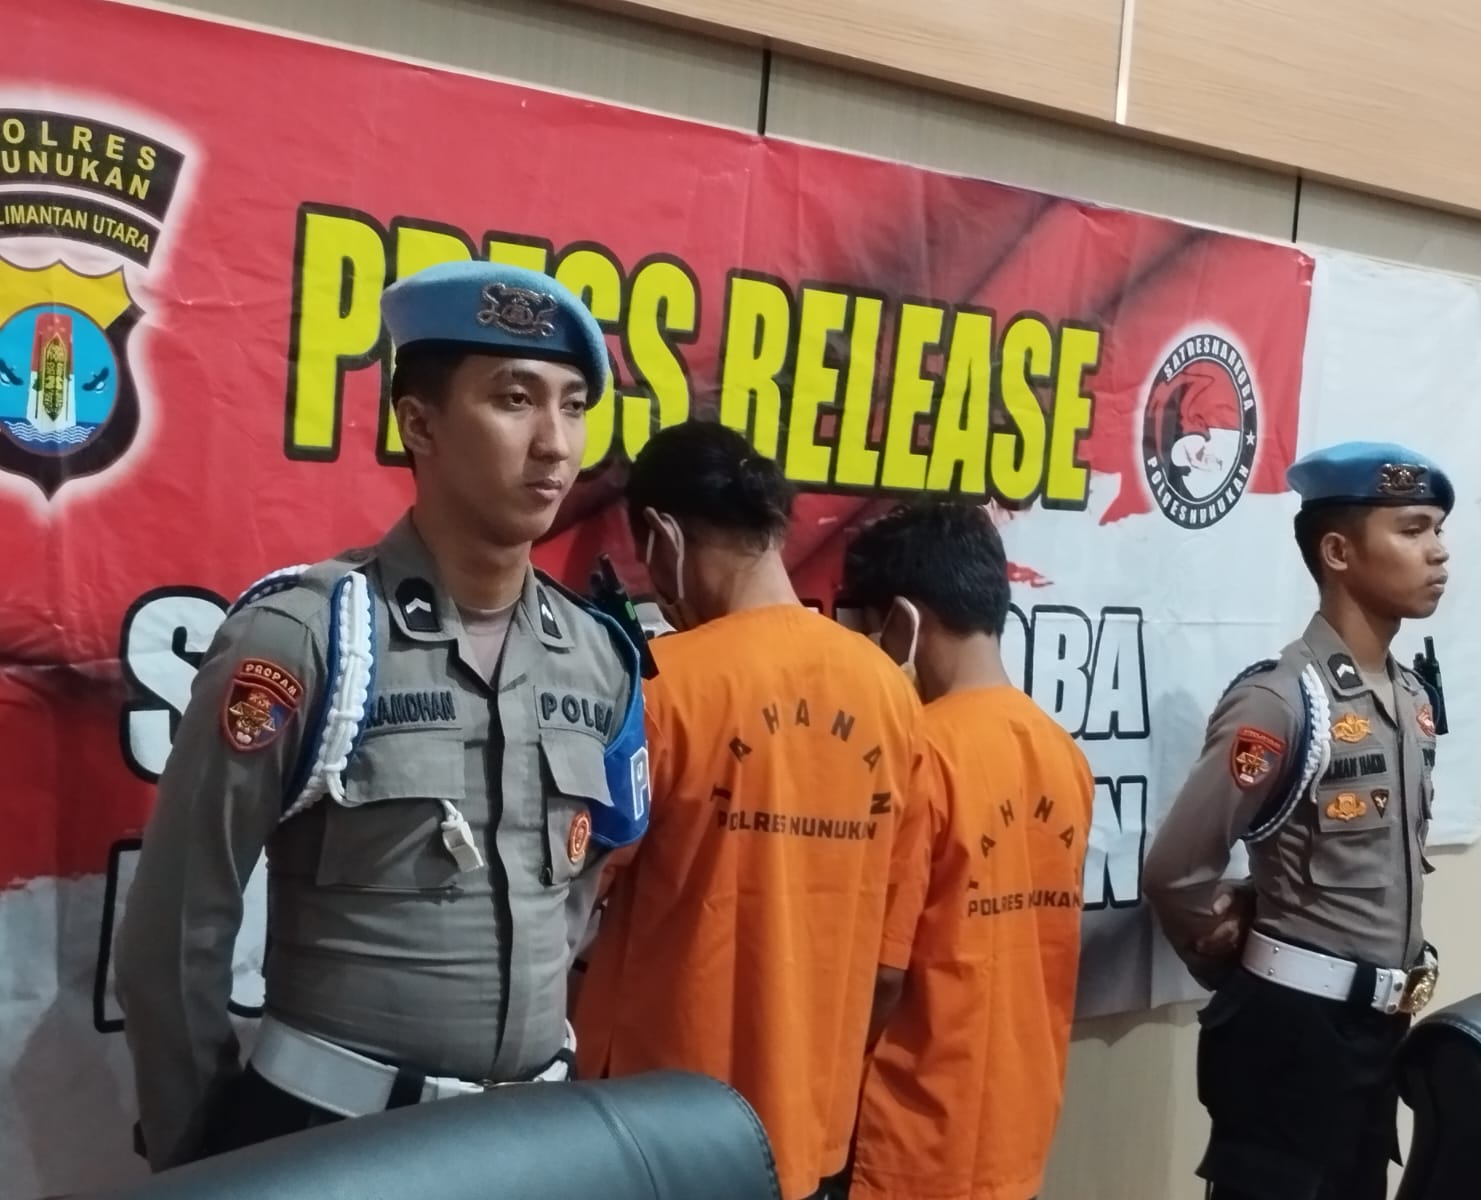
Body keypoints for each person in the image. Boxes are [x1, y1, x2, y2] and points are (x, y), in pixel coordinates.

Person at [114, 260, 650, 1170]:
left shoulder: (596, 659)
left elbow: (575, 893)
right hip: (333, 1146)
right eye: (515, 399)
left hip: (529, 1148)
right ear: (419, 423)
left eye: (573, 407)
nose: (556, 445)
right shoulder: (307, 639)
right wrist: (205, 1165)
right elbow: (175, 931)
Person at [569, 420, 931, 1200]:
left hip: (656, 1135)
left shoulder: (660, 688)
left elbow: (570, 901)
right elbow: (887, 972)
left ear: (664, 537)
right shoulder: (893, 698)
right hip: (809, 1139)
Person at [1142, 441, 1453, 1200]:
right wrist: (1234, 958)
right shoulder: (1281, 700)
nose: (1439, 551)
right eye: (1412, 530)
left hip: (1377, 1035)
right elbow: (1177, 870)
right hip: (1291, 1035)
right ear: (1338, 552)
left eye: (1439, 530)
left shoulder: (1410, 696)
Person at [836, 500, 1095, 1200]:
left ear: (900, 622)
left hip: (909, 1133)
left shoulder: (919, 754)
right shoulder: (1062, 754)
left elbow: (884, 976)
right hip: (1020, 1125)